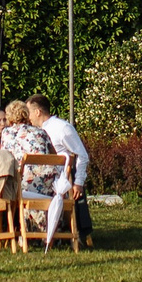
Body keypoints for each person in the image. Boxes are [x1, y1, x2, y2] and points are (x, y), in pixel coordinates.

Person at [30, 94, 92, 246]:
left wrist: (78, 182)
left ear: (37, 112)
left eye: (29, 112)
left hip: (62, 180)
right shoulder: (36, 132)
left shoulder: (61, 128)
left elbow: (82, 155)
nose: (28, 117)